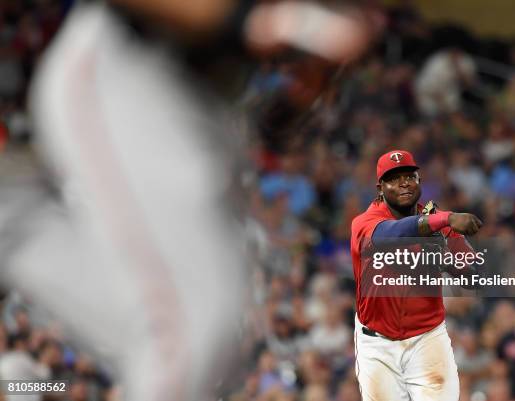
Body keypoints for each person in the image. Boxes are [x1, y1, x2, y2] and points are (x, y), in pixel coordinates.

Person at [1, 1, 374, 401]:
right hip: (128, 71)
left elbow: (290, 89)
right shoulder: (20, 373)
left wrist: (303, 67)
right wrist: (253, 21)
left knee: (214, 330)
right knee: (193, 334)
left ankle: (17, 217)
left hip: (199, 108)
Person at [350, 149, 483, 401]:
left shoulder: (440, 224)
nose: (403, 183)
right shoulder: (365, 222)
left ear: (419, 181)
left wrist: (447, 261)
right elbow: (389, 235)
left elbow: (474, 276)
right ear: (380, 187)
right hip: (378, 342)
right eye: (393, 178)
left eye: (409, 176)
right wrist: (445, 219)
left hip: (427, 337)